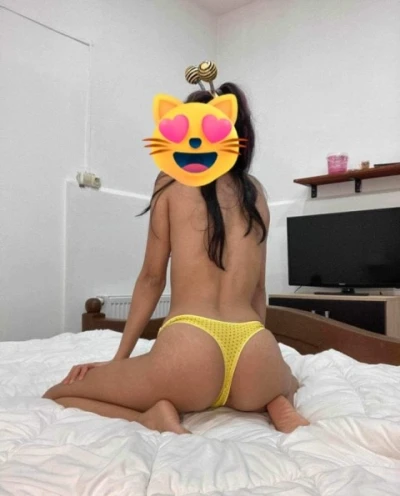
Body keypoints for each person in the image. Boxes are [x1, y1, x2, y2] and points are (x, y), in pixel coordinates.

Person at [43, 83, 309, 434]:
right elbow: (258, 291)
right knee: (289, 379)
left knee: (58, 393)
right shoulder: (255, 192)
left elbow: (152, 278)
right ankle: (275, 398)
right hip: (255, 347)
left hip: (190, 350)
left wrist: (118, 360)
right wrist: (259, 362)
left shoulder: (171, 180)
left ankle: (147, 417)